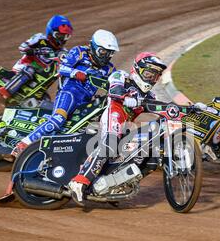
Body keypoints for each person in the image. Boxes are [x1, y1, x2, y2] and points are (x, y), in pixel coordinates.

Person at [68, 52, 167, 205]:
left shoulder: (150, 96)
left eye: (155, 76)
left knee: (151, 155)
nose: (151, 79)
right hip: (113, 114)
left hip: (126, 125)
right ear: (137, 70)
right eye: (148, 73)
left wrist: (187, 109)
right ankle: (79, 181)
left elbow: (162, 108)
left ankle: (116, 184)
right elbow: (114, 90)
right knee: (110, 143)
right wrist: (129, 99)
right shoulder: (121, 76)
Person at [7, 29, 120, 160]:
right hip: (69, 92)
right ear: (94, 47)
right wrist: (76, 73)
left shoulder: (109, 68)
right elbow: (62, 67)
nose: (106, 56)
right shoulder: (79, 52)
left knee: (91, 128)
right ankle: (22, 145)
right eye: (103, 52)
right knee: (58, 120)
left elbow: (117, 81)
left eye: (110, 53)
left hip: (86, 101)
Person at [0, 15, 73, 110]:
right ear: (51, 32)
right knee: (30, 70)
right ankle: (2, 95)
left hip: (41, 79)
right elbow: (22, 47)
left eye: (66, 36)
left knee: (45, 98)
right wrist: (34, 51)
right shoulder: (40, 38)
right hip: (23, 68)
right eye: (59, 36)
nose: (62, 39)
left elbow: (68, 64)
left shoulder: (63, 52)